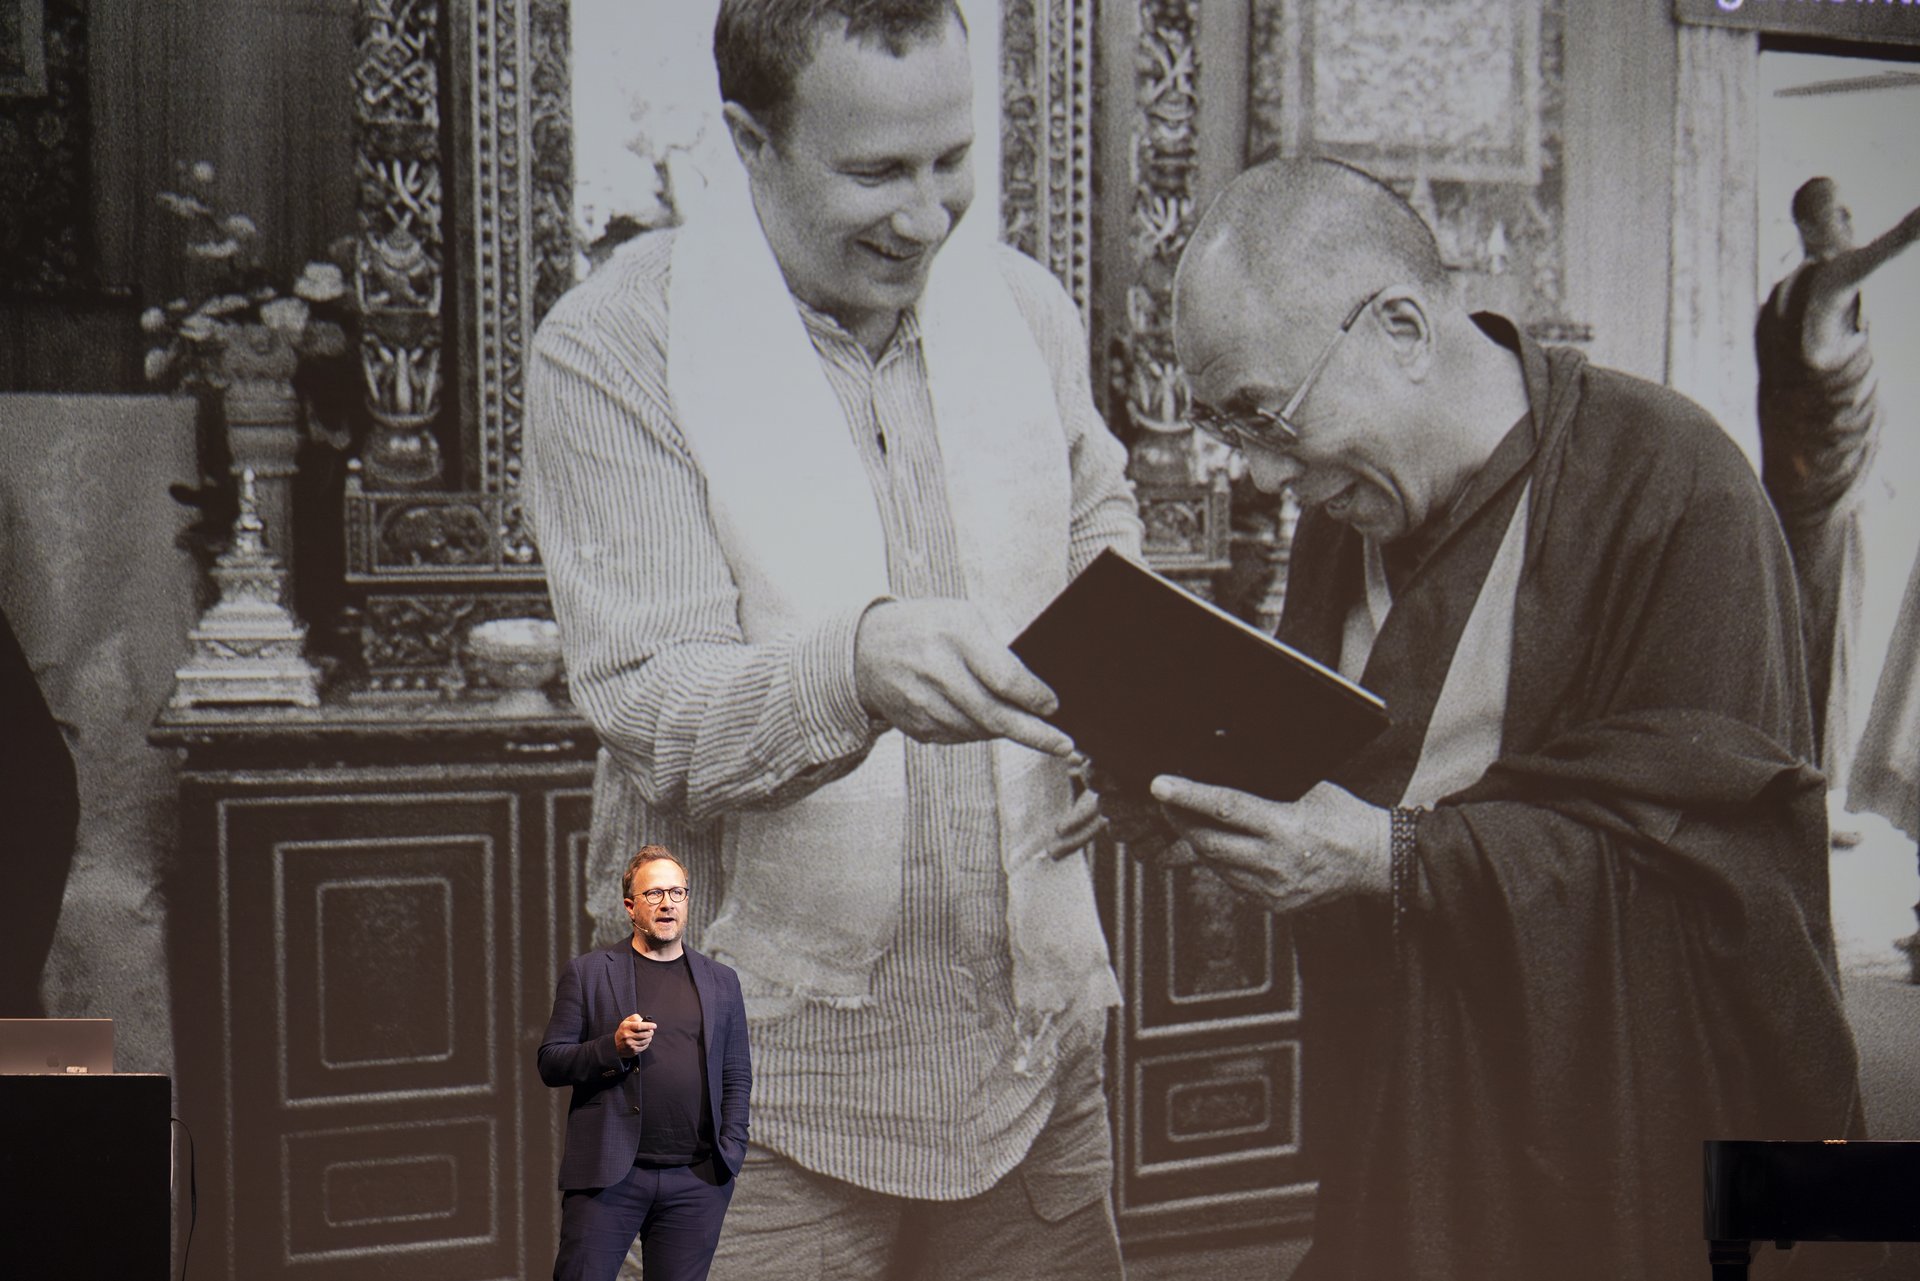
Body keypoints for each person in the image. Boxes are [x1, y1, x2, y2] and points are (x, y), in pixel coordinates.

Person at [1153, 156, 1863, 1281]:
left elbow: (1730, 873)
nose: (1257, 473)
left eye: (1266, 419)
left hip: (1613, 1138)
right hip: (1409, 1086)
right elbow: (1346, 756)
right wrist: (1179, 785)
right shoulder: (1356, 511)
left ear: (1401, 328)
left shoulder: (1675, 487)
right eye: (1227, 429)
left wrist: (1397, 860)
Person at [523, 2, 1140, 1277]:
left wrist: (1126, 725)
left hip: (1029, 1056)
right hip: (756, 1097)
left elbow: (1100, 539)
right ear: (750, 141)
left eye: (950, 161)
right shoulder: (615, 345)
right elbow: (658, 710)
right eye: (875, 173)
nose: (925, 217)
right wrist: (853, 669)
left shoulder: (1024, 315)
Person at [1755, 179, 1920, 787]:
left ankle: (1790, 784)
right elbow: (1900, 237)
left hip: (1790, 495)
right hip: (1825, 503)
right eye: (1838, 210)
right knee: (1828, 644)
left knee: (1799, 640)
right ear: (1811, 229)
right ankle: (1813, 798)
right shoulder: (1827, 284)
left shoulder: (1779, 298)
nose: (1851, 216)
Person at [538, 844, 752, 1281]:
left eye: (677, 892)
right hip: (610, 1176)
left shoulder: (721, 981)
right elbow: (551, 1062)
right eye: (654, 894)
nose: (667, 903)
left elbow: (736, 1074)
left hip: (696, 1179)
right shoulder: (590, 972)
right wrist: (611, 1048)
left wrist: (731, 1148)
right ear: (631, 907)